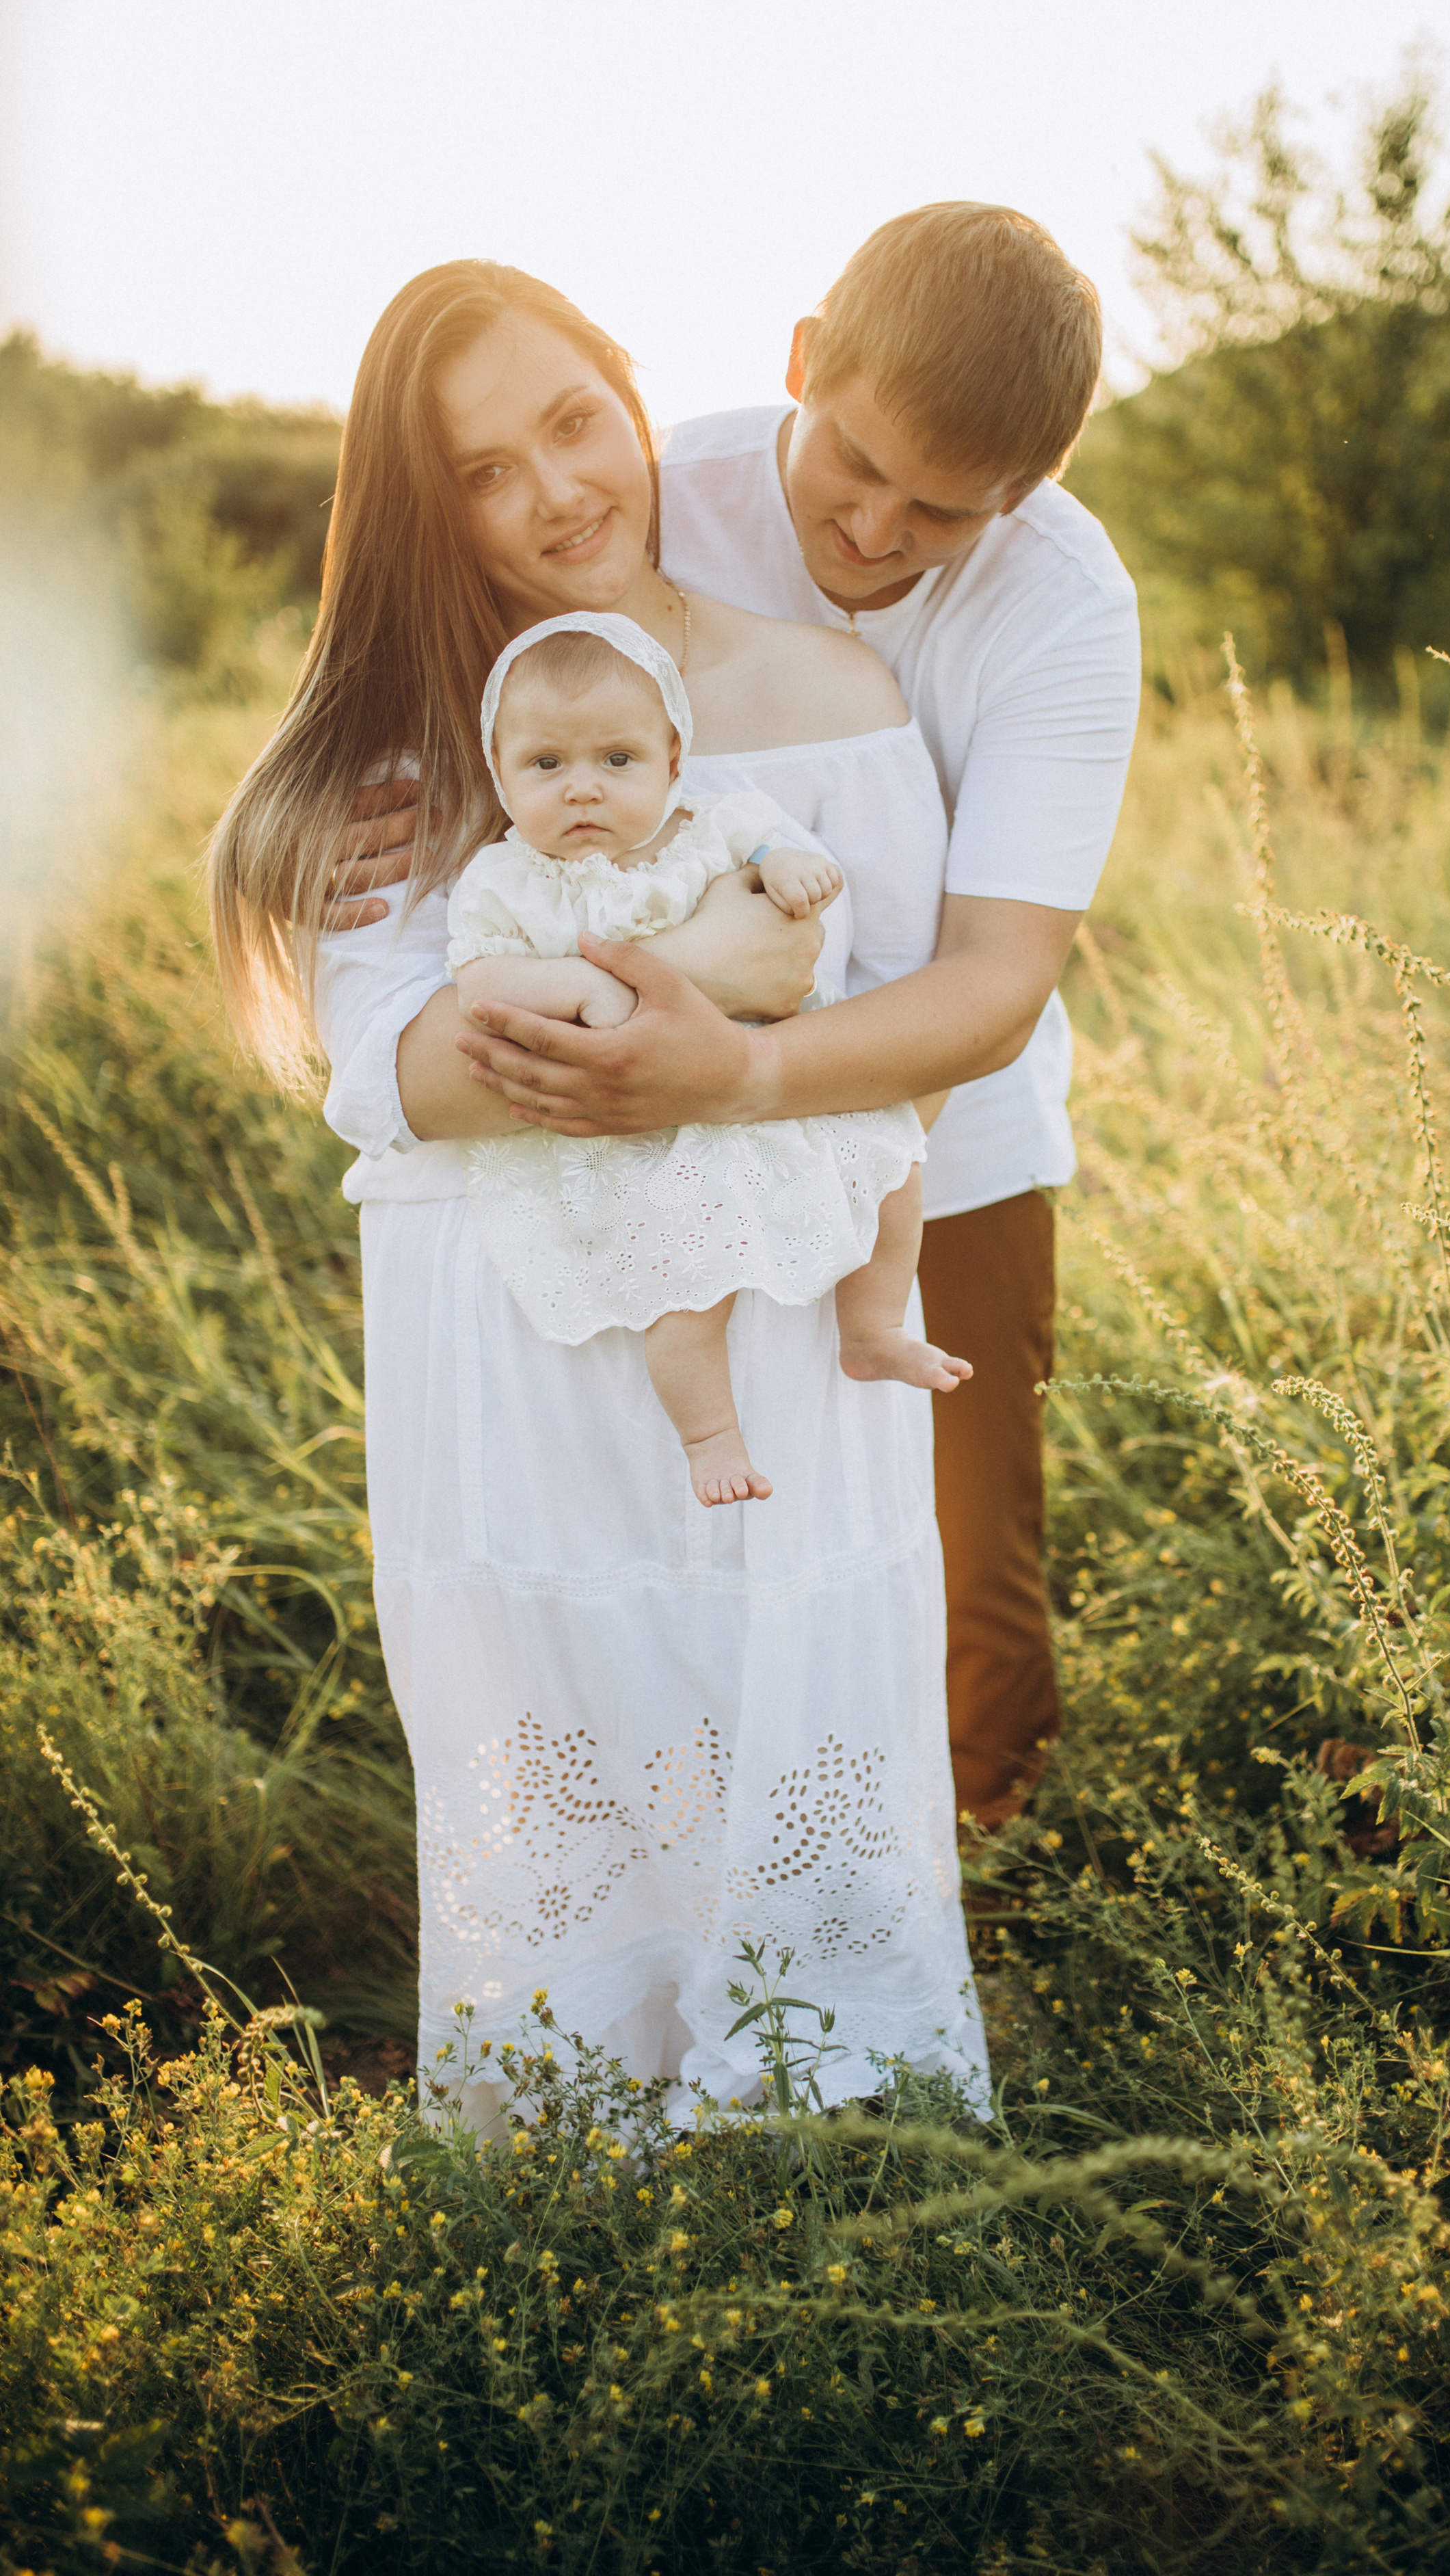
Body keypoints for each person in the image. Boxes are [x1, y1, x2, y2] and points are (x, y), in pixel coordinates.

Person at [207, 260, 987, 2134]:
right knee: (565, 1695)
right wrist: (701, 989)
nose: (557, 490)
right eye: (484, 471)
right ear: (426, 512)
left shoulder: (824, 689)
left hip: (771, 1295)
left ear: (634, 399)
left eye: (572, 420)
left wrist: (639, 1018)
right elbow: (390, 1072)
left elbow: (895, 1023)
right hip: (509, 1321)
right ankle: (573, 2124)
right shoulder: (399, 748)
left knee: (782, 1656)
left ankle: (824, 2128)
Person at [328, 206, 1142, 1836]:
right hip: (646, 1155)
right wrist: (373, 802)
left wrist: (748, 1062)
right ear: (800, 364)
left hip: (934, 1146)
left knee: (963, 1591)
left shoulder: (1058, 601)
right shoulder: (638, 495)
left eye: (941, 510)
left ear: (1026, 489)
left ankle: (942, 1940)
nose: (873, 523)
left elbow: (992, 980)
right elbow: (485, 688)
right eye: (854, 462)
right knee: (699, 1560)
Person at [448, 609, 969, 1507]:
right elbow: (478, 979)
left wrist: (786, 866)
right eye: (546, 765)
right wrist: (579, 988)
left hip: (755, 1089)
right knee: (685, 1288)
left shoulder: (707, 828)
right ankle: (710, 1435)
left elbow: (771, 852)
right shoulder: (506, 880)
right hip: (640, 1136)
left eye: (618, 760)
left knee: (895, 1163)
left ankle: (874, 1327)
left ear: (673, 761)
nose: (582, 790)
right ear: (500, 776)